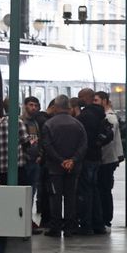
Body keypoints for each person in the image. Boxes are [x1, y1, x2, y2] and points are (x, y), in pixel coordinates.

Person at [40, 95, 87, 237]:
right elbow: (83, 145)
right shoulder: (78, 124)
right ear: (69, 107)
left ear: (55, 107)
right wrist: (73, 160)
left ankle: (55, 226)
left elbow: (47, 146)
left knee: (55, 197)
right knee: (70, 196)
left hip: (55, 169)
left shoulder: (48, 124)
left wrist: (60, 161)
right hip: (73, 168)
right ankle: (69, 227)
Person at [76, 88, 107, 235]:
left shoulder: (86, 115)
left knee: (85, 192)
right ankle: (98, 224)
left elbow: (82, 138)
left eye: (79, 97)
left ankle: (87, 225)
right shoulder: (100, 113)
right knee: (94, 191)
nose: (78, 99)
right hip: (97, 157)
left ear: (85, 97)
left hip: (87, 158)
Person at [95, 91, 124, 227]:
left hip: (107, 159)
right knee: (105, 188)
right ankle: (105, 217)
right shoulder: (108, 116)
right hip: (109, 159)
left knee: (104, 189)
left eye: (96, 100)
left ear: (104, 101)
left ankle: (106, 217)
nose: (94, 103)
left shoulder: (110, 118)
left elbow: (107, 139)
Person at [21, 96, 49, 228]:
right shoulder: (21, 122)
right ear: (25, 106)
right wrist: (26, 156)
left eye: (36, 106)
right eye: (31, 105)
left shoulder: (35, 123)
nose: (33, 108)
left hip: (35, 161)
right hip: (25, 162)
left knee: (32, 191)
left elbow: (40, 140)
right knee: (25, 191)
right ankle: (25, 219)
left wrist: (40, 154)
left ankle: (28, 218)